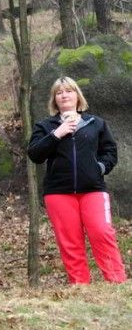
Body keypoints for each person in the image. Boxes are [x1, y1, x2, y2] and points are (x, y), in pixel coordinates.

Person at [28, 76, 126, 284]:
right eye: (59, 92)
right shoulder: (45, 126)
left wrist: (99, 168)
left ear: (77, 96)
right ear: (54, 99)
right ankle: (80, 286)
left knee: (102, 232)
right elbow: (35, 154)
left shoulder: (96, 123)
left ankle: (116, 281)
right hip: (58, 192)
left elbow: (110, 152)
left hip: (93, 189)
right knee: (70, 241)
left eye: (69, 91)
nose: (64, 95)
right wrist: (57, 134)